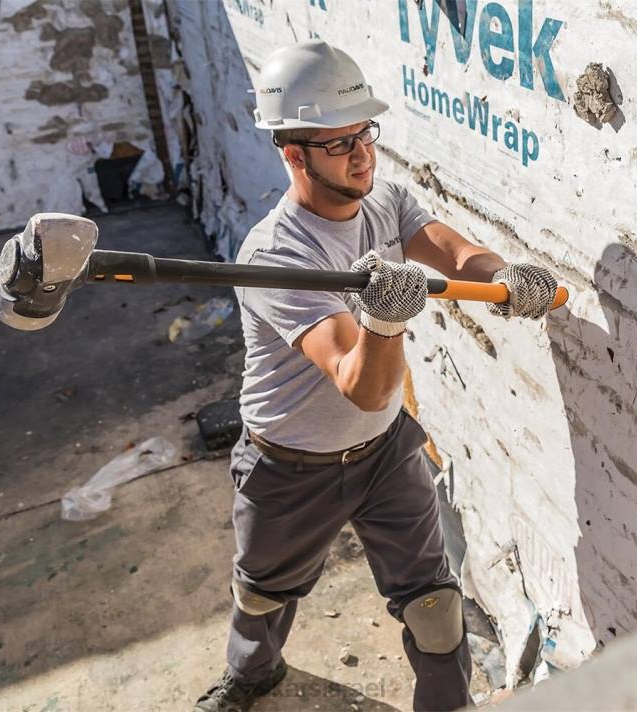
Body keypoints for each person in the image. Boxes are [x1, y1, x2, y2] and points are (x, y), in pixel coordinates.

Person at [195, 40, 557, 712]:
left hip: (385, 451)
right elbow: (361, 384)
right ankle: (252, 673)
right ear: (293, 153)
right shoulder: (276, 256)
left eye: (365, 133)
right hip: (289, 461)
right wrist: (384, 322)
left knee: (434, 606)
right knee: (263, 592)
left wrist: (503, 275)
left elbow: (451, 251)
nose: (362, 154)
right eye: (339, 143)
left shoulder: (384, 200)